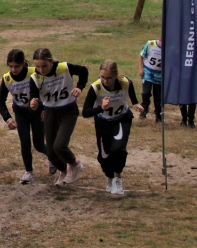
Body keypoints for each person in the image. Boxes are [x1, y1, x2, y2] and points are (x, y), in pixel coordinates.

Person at [82, 60, 144, 195]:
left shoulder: (125, 83)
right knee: (104, 156)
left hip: (121, 119)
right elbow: (85, 112)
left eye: (109, 78)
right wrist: (100, 108)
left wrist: (135, 103)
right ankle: (109, 177)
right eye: (102, 77)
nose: (105, 81)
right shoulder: (95, 88)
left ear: (116, 75)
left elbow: (131, 93)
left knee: (118, 149)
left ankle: (117, 179)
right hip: (103, 122)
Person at [29, 48, 89, 186]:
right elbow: (33, 97)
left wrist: (79, 87)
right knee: (51, 154)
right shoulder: (35, 77)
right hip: (50, 113)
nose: (41, 70)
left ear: (51, 61)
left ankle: (75, 165)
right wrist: (34, 104)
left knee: (59, 145)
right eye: (37, 66)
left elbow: (84, 71)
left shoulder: (64, 68)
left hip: (68, 111)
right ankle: (63, 171)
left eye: (44, 66)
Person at [0, 49, 53, 184]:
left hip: (37, 112)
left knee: (39, 144)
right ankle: (29, 171)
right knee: (25, 143)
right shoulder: (6, 79)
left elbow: (49, 90)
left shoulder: (35, 72)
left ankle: (53, 157)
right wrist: (8, 118)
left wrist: (46, 108)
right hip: (21, 113)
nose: (14, 69)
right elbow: (0, 101)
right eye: (10, 66)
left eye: (17, 66)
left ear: (23, 63)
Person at [138, 38, 162, 123]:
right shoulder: (150, 44)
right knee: (146, 93)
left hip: (160, 76)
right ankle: (144, 109)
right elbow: (141, 55)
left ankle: (158, 115)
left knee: (158, 97)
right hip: (148, 73)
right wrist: (141, 69)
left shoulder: (169, 48)